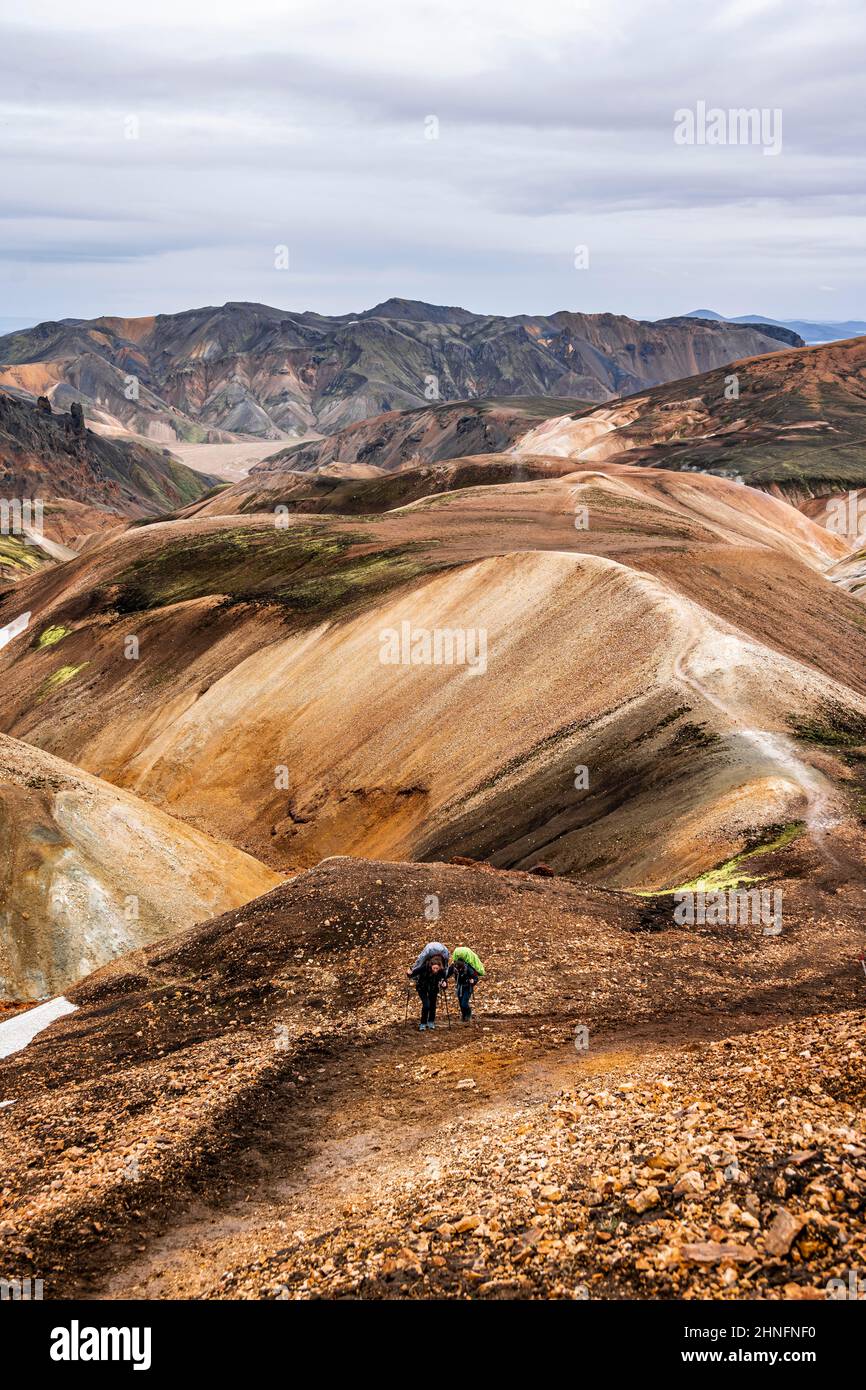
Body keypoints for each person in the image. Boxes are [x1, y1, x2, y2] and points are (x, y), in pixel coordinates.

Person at [408, 942, 449, 1031]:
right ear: (431, 966)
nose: (435, 970)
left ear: (440, 967)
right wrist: (409, 973)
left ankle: (431, 1022)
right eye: (434, 968)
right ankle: (423, 1023)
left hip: (433, 988)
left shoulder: (441, 971)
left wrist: (444, 984)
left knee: (433, 1005)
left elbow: (445, 982)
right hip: (422, 988)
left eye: (437, 968)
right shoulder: (425, 967)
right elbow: (413, 974)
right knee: (426, 1005)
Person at [447, 946, 485, 1022]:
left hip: (467, 987)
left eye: (460, 969)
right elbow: (447, 974)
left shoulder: (468, 968)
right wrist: (442, 980)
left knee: (464, 1003)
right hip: (459, 986)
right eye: (457, 969)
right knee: (461, 1003)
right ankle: (464, 1016)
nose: (458, 971)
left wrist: (473, 981)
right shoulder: (454, 967)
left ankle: (468, 1015)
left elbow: (475, 978)